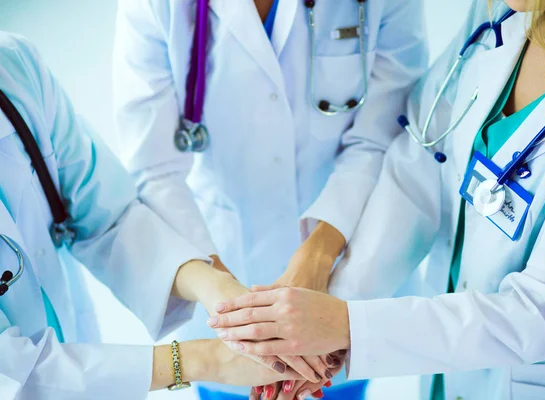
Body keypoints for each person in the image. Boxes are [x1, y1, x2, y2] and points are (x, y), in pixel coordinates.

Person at [208, 0, 545, 399]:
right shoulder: (498, 17)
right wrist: (332, 314)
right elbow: (420, 161)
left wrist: (348, 326)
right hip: (446, 377)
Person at [112, 0, 428, 398]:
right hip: (222, 257)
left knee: (335, 381)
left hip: (349, 262)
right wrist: (232, 307)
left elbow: (381, 136)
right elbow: (154, 168)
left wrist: (316, 257)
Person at [0, 32, 325, 399]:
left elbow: (109, 218)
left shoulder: (13, 68)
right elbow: (15, 377)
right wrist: (209, 359)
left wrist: (223, 294)